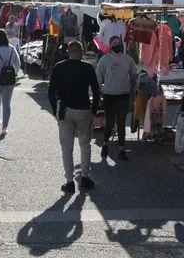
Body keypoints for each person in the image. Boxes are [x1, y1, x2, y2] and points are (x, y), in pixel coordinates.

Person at [48, 40, 101, 194]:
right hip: (84, 109)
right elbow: (96, 90)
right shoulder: (88, 67)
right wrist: (94, 109)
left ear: (68, 51)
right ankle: (84, 177)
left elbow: (51, 91)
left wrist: (54, 110)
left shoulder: (59, 67)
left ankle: (69, 181)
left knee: (66, 147)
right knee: (85, 144)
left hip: (65, 109)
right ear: (81, 52)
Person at [96, 36, 137, 161]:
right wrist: (98, 92)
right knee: (109, 122)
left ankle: (121, 149)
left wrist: (133, 88)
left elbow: (134, 75)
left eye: (119, 43)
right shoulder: (104, 60)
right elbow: (98, 76)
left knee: (121, 123)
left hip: (123, 94)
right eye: (114, 43)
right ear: (110, 45)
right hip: (109, 94)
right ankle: (105, 144)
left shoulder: (128, 59)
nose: (117, 44)